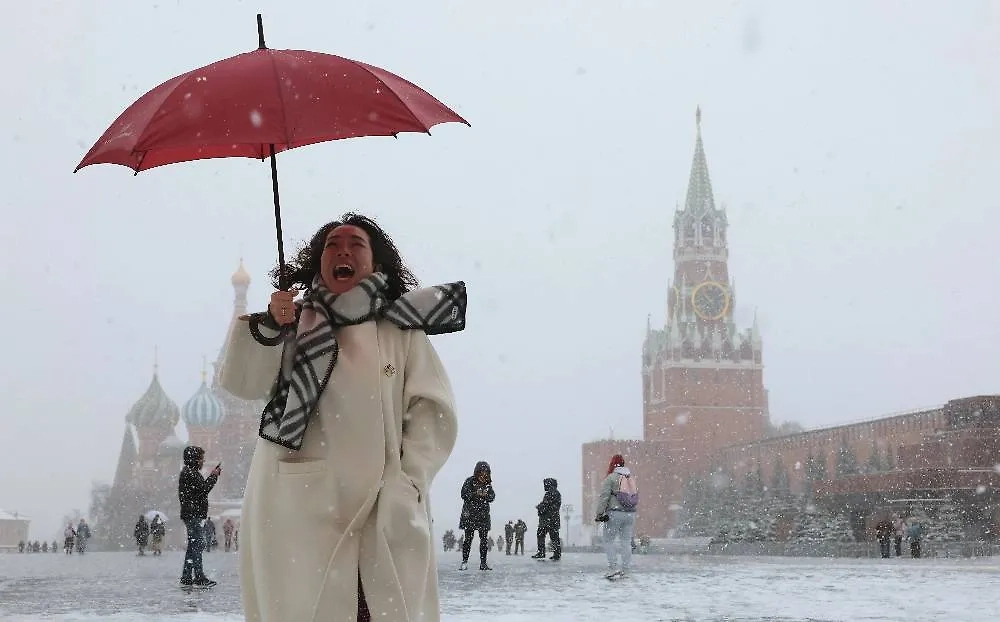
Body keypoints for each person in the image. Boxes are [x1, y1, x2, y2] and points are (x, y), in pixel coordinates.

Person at [220, 213, 464, 622]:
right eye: (332, 246)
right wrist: (271, 325)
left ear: (375, 263)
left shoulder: (400, 328)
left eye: (355, 244)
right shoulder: (293, 323)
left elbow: (432, 411)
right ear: (319, 262)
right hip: (299, 502)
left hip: (381, 505)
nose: (343, 252)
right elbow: (243, 383)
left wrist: (408, 482)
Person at [178, 445, 221, 587]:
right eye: (201, 459)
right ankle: (199, 577)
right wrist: (214, 476)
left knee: (193, 545)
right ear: (195, 459)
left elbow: (200, 490)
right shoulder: (191, 473)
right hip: (193, 514)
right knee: (198, 544)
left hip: (191, 513)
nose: (203, 461)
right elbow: (203, 490)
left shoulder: (189, 472)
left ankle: (186, 577)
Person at [594, 454, 637, 577]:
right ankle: (626, 570)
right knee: (626, 542)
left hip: (615, 513)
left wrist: (599, 513)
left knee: (608, 540)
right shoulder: (630, 477)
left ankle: (613, 568)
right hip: (630, 514)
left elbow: (604, 496)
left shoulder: (611, 478)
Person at [460, 461, 496, 571]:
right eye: (482, 471)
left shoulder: (488, 484)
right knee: (468, 539)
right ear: (477, 471)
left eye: (486, 472)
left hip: (483, 515)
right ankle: (464, 562)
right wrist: (476, 494)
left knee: (484, 540)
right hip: (470, 514)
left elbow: (492, 497)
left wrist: (486, 495)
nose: (484, 474)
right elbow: (463, 494)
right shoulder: (469, 481)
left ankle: (483, 563)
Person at [532, 478, 562, 561]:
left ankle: (541, 552)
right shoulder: (556, 493)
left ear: (549, 484)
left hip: (547, 519)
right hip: (554, 519)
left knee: (541, 534)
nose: (544, 486)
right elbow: (552, 505)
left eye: (545, 484)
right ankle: (557, 554)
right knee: (554, 537)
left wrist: (539, 507)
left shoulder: (550, 493)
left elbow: (546, 505)